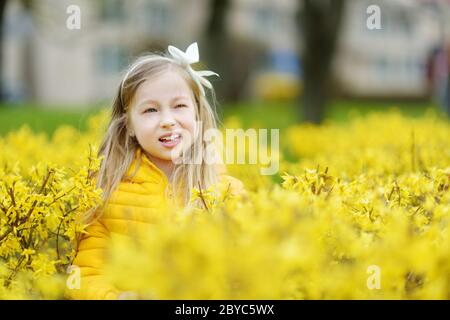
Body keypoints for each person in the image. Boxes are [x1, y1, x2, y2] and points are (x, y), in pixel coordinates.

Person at [65, 42, 245, 299]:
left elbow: (246, 272)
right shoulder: (106, 192)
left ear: (197, 113)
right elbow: (85, 275)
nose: (168, 121)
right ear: (128, 124)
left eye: (179, 106)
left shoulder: (228, 192)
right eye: (150, 110)